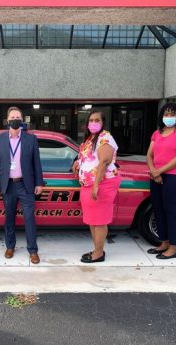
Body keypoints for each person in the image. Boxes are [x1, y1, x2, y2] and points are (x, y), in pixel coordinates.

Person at [0, 107, 44, 264]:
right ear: (8, 120)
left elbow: (36, 163)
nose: (15, 119)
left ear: (22, 120)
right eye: (12, 117)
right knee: (9, 218)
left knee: (29, 218)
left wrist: (39, 183)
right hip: (7, 185)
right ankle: (10, 246)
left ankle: (33, 250)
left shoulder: (31, 139)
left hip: (25, 184)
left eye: (18, 117)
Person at [72, 109, 121, 263]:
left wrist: (96, 186)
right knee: (93, 220)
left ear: (102, 122)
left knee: (99, 221)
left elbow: (104, 162)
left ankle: (98, 253)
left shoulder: (105, 137)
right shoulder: (90, 139)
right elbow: (88, 157)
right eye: (91, 120)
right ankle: (97, 249)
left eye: (97, 120)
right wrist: (77, 162)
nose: (93, 123)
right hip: (89, 184)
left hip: (102, 183)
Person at [146, 102, 176, 259]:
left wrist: (159, 171)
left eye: (172, 114)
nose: (169, 117)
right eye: (166, 114)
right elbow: (149, 155)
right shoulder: (157, 133)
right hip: (157, 176)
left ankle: (173, 247)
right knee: (158, 210)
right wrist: (153, 170)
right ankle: (164, 242)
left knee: (172, 211)